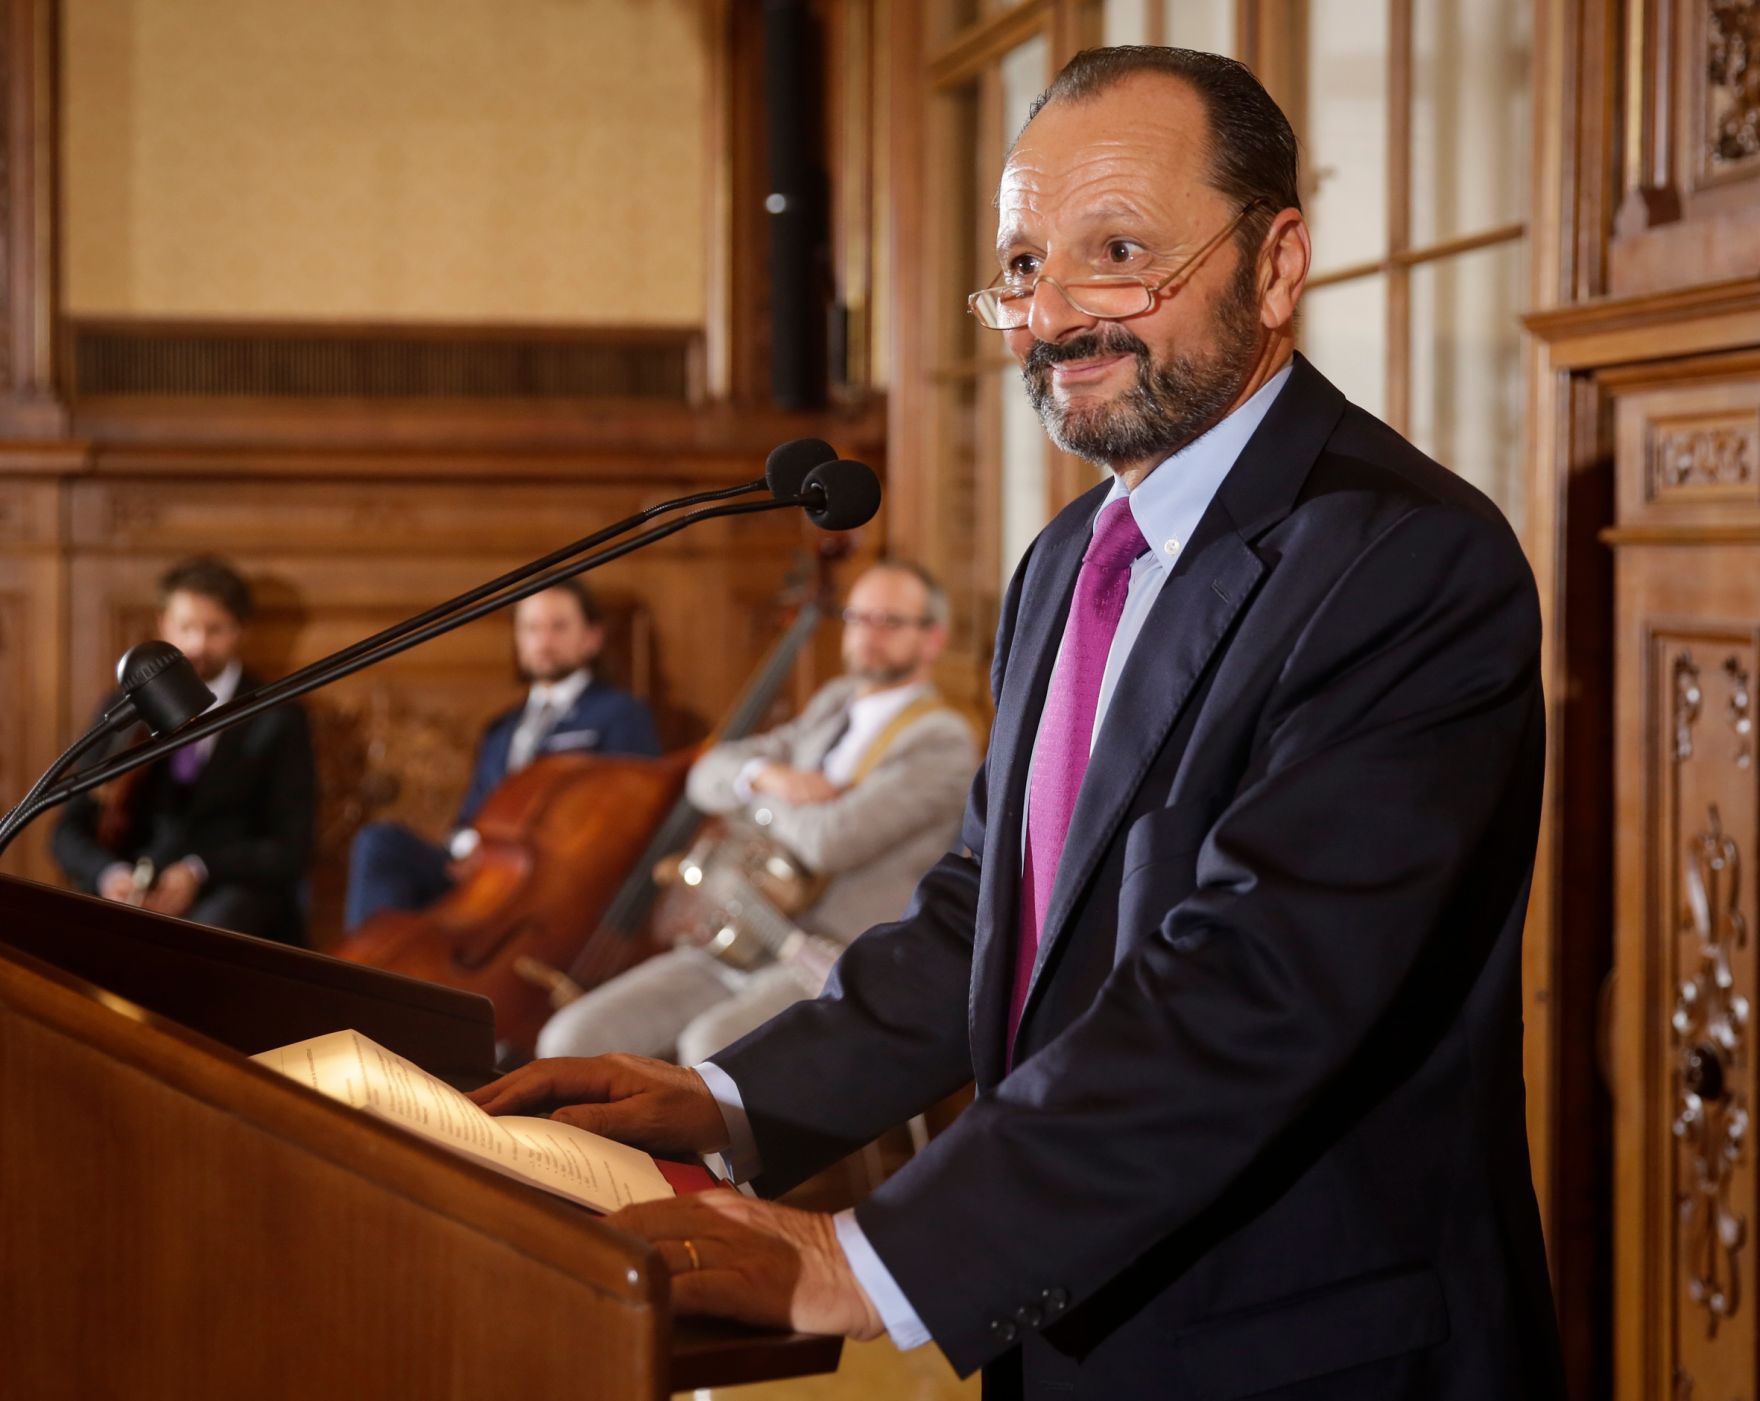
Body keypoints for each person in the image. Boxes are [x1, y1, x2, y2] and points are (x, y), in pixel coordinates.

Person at [471, 46, 1564, 1399]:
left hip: (1303, 1345)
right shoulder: (1068, 560)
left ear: (1276, 267)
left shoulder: (1407, 563)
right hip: (1070, 1323)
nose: (1057, 315)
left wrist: (865, 1259)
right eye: (1026, 264)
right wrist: (743, 1103)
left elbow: (1252, 988)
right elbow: (993, 916)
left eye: (1118, 252)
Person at [535, 560, 977, 1066]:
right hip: (739, 937)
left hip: (832, 959)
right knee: (568, 1041)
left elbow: (829, 840)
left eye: (890, 621)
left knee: (709, 1051)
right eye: (858, 617)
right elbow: (707, 776)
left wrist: (756, 797)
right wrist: (771, 778)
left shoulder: (941, 740)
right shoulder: (835, 704)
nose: (867, 634)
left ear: (933, 639)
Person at [343, 580, 660, 931]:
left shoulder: (619, 713)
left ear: (591, 638)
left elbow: (633, 816)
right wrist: (469, 850)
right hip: (481, 871)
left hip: (551, 875)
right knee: (379, 843)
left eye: (559, 627)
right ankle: (368, 974)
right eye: (531, 628)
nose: (544, 641)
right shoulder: (502, 727)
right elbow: (470, 817)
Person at [52, 556, 317, 944]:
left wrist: (199, 870)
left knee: (207, 936)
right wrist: (110, 876)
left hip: (230, 900)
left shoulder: (279, 717)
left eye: (215, 630)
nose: (197, 645)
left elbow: (291, 847)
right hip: (133, 895)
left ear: (241, 630)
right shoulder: (125, 707)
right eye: (186, 627)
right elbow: (66, 831)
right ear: (162, 624)